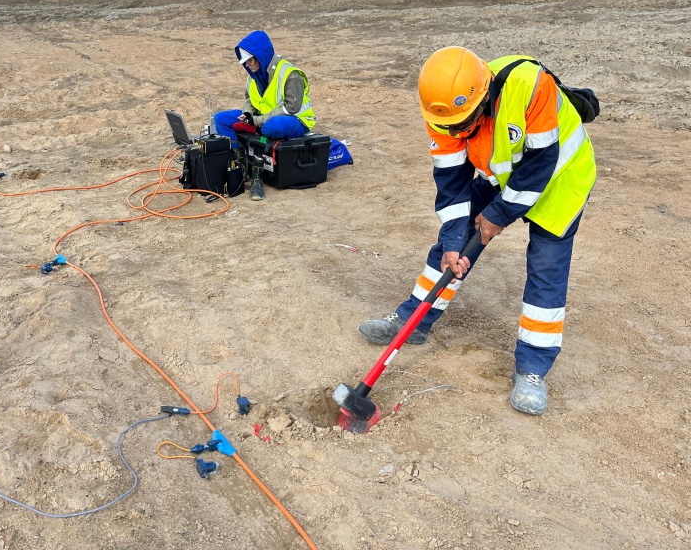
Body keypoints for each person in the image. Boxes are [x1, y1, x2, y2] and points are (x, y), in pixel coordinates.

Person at [359, 47, 596, 416]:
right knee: (450, 245)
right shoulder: (442, 112)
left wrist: (497, 214)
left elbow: (541, 163)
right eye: (449, 126)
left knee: (546, 267)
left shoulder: (529, 85)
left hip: (561, 178)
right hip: (502, 171)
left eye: (462, 124)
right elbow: (452, 182)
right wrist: (456, 239)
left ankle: (532, 369)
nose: (454, 132)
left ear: (484, 97)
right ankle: (413, 321)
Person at [212, 30, 316, 200]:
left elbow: (291, 108)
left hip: (296, 120)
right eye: (245, 62)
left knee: (271, 127)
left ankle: (256, 135)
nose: (248, 65)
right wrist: (247, 113)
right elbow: (249, 98)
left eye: (250, 60)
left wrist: (256, 121)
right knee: (220, 119)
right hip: (262, 118)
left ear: (261, 55)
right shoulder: (253, 74)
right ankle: (240, 161)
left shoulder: (291, 74)